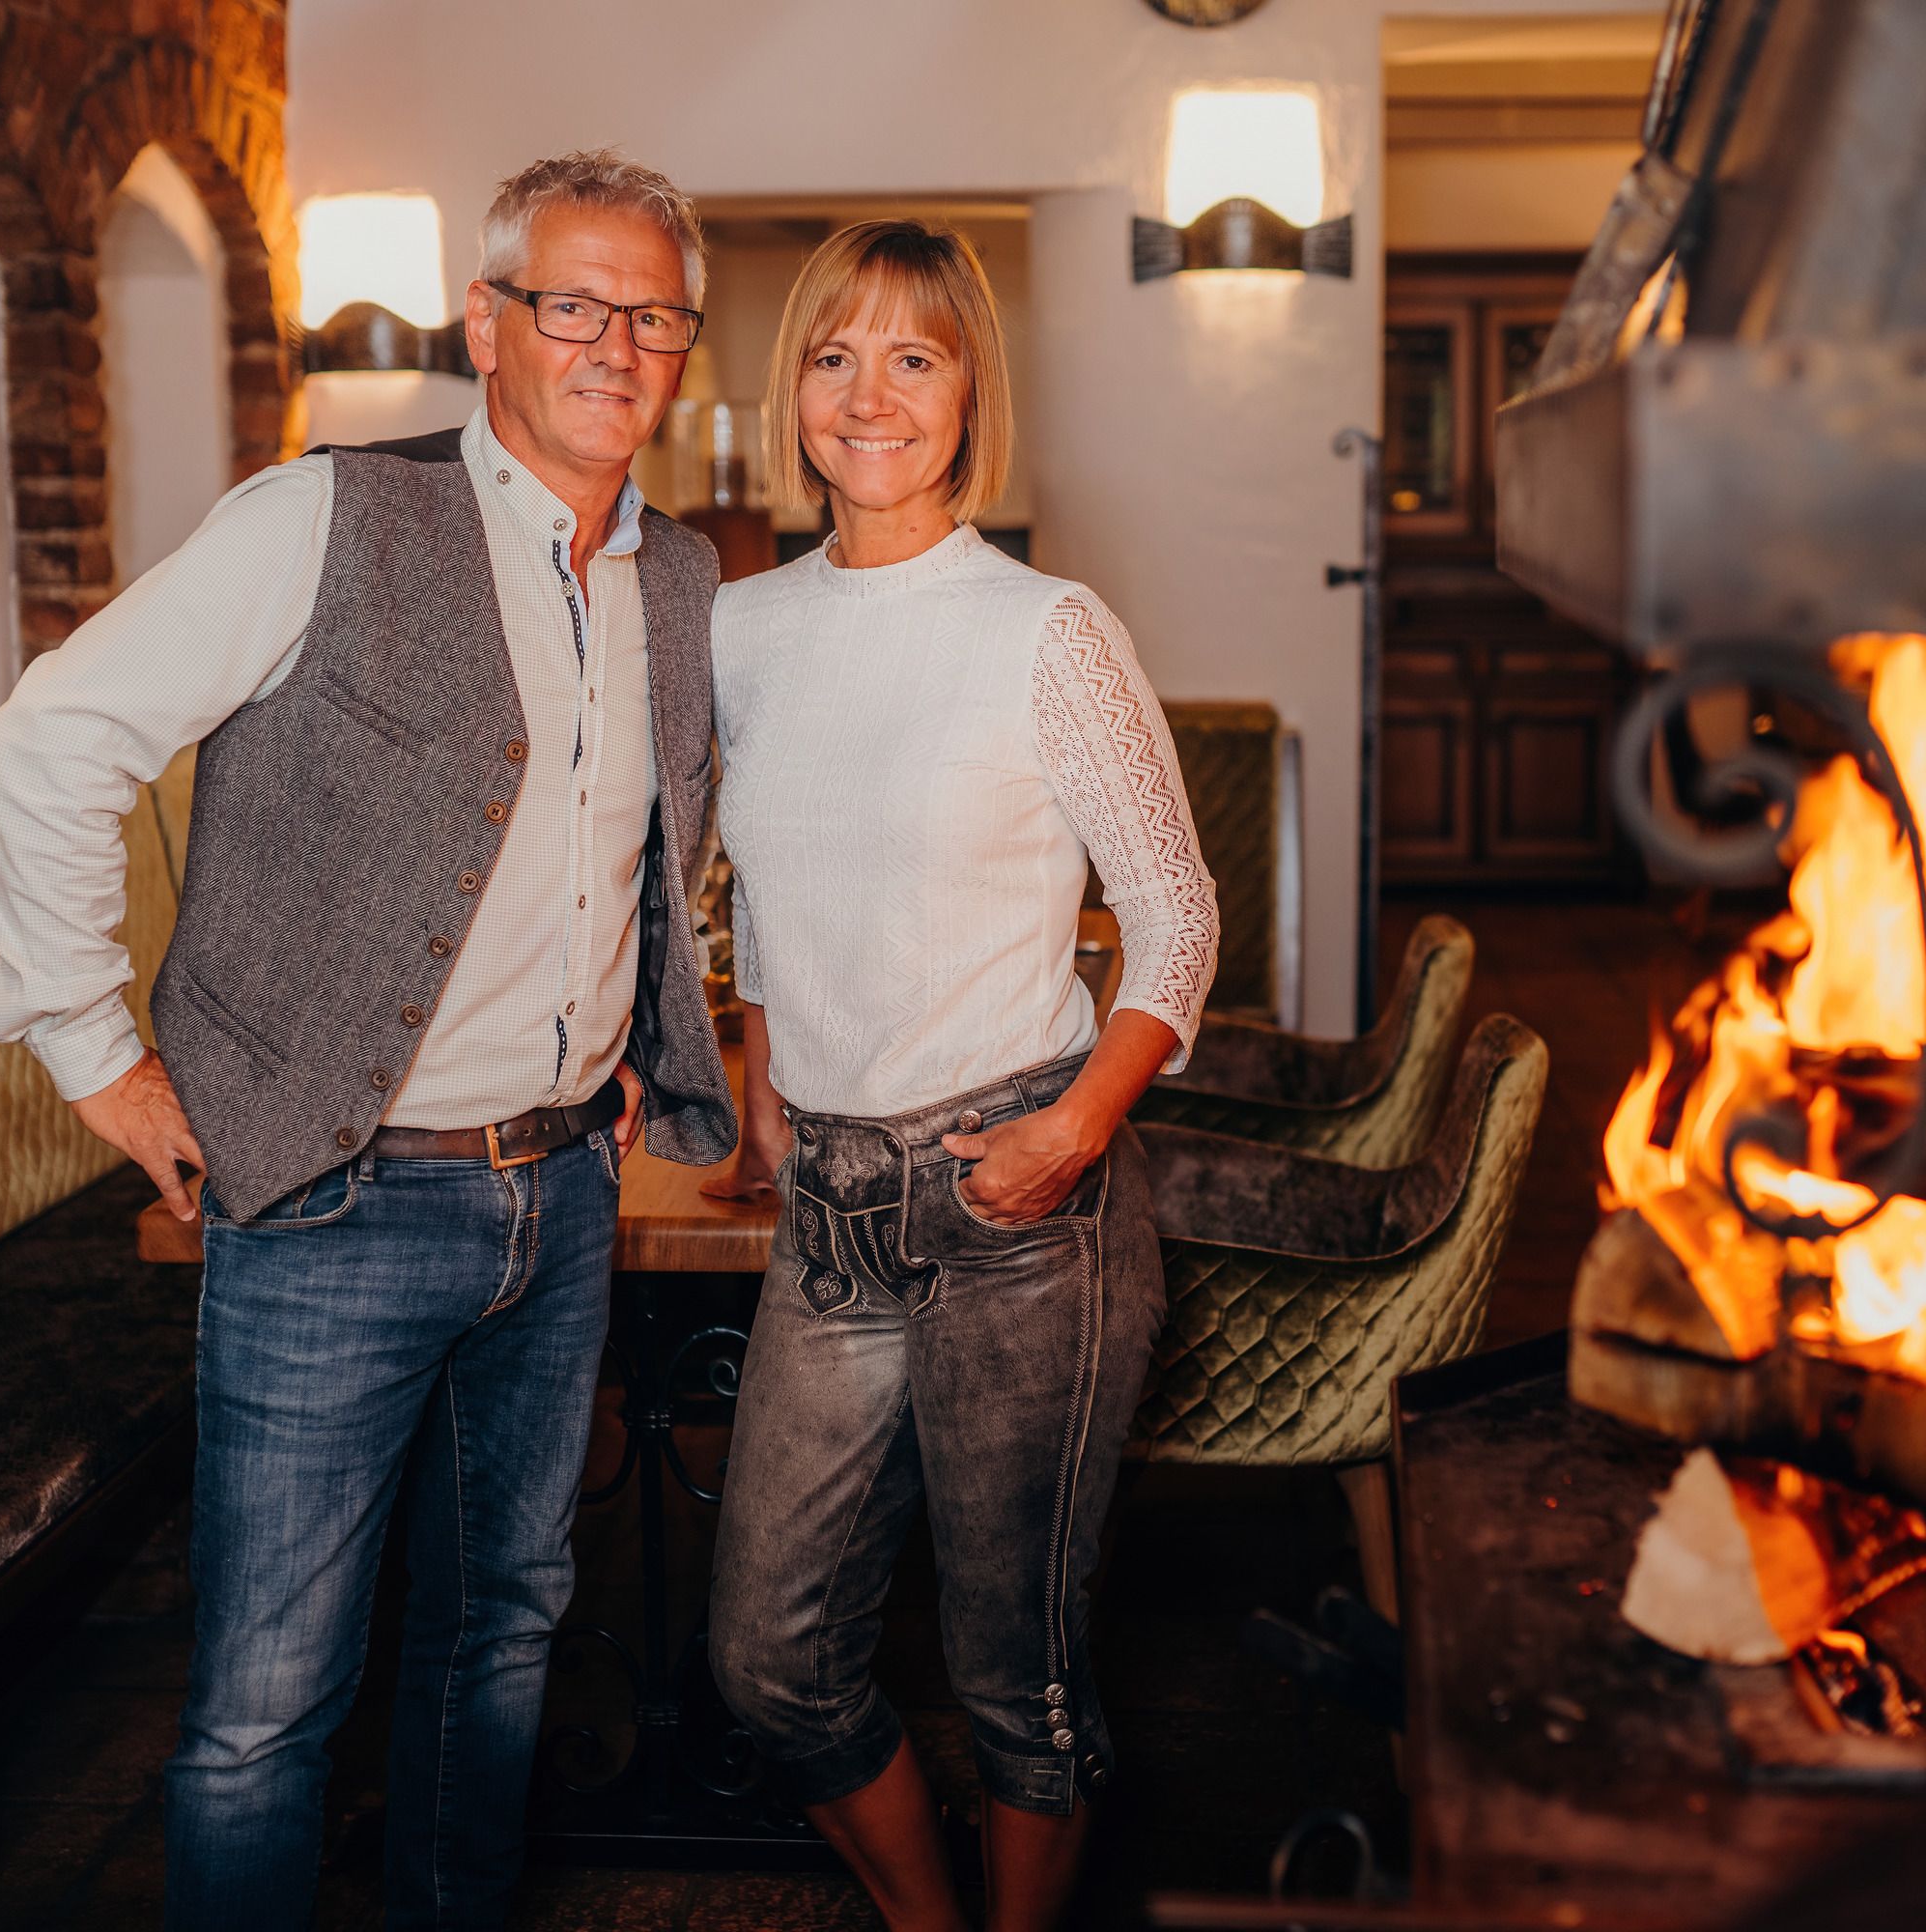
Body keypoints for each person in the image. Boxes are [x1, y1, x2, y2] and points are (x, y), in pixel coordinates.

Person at [0, 151, 733, 1930]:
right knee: (266, 1705)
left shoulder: (684, 578)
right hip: (332, 1201)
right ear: (489, 323)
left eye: (656, 316)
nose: (616, 345)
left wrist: (621, 1030)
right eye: (574, 303)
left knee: (503, 1637)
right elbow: (51, 745)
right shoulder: (321, 518)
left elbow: (627, 845)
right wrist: (91, 1048)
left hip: (562, 1195)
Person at [704, 218, 1219, 1932]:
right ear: (793, 394)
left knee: (1020, 1676)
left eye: (912, 358)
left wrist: (1071, 1132)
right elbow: (758, 897)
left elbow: (1176, 919)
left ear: (968, 396)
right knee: (768, 1658)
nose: (870, 395)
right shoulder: (742, 628)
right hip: (831, 1218)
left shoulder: (1045, 629)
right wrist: (767, 1096)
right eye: (834, 356)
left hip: (1023, 1216)